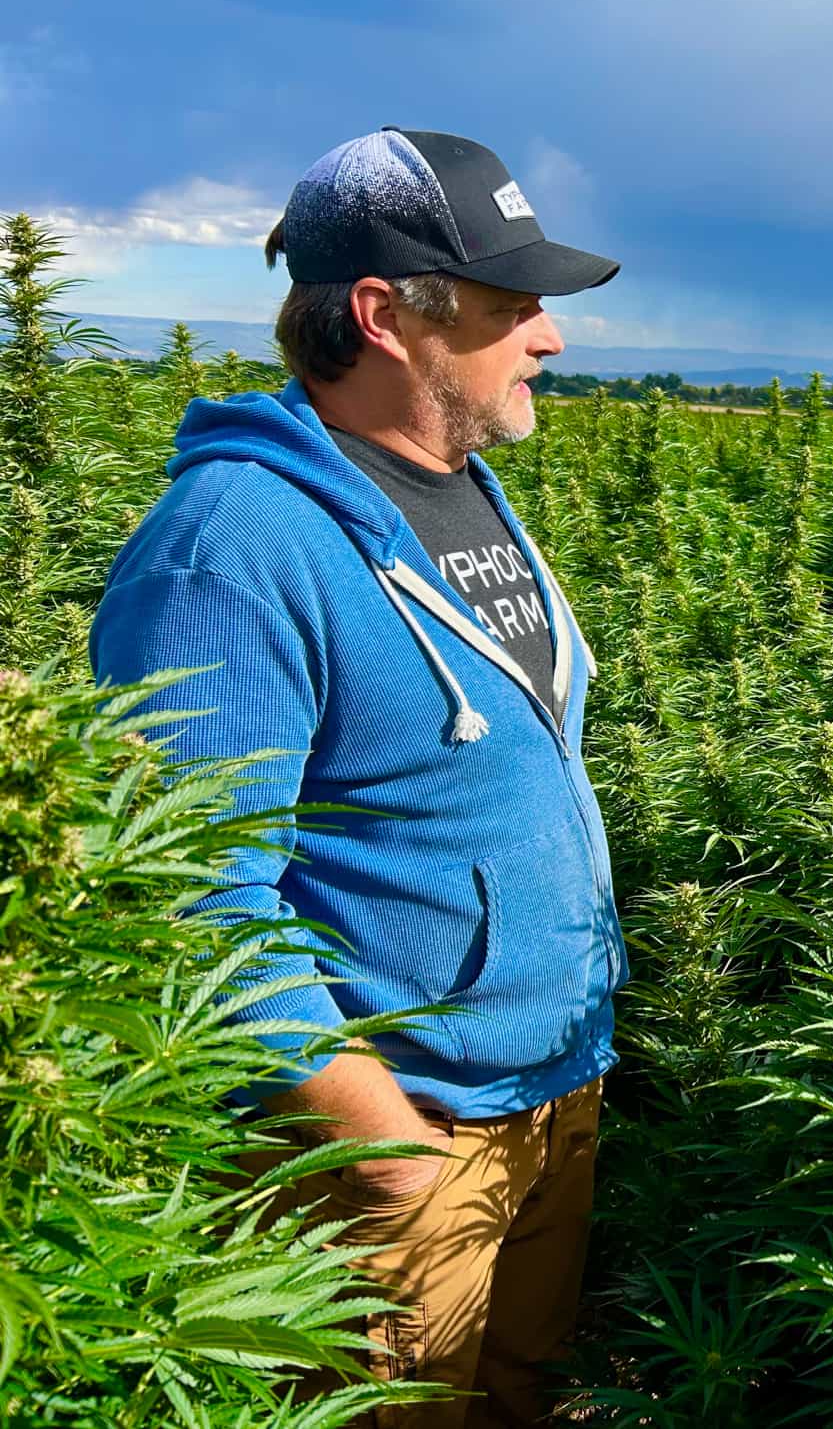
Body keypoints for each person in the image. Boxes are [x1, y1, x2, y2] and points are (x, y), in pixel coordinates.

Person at [90, 126, 628, 1427]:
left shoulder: (458, 483)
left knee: (519, 1395)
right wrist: (380, 1148)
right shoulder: (234, 545)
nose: (549, 337)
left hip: (548, 1100)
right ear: (387, 316)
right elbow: (186, 895)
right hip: (399, 1143)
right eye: (512, 310)